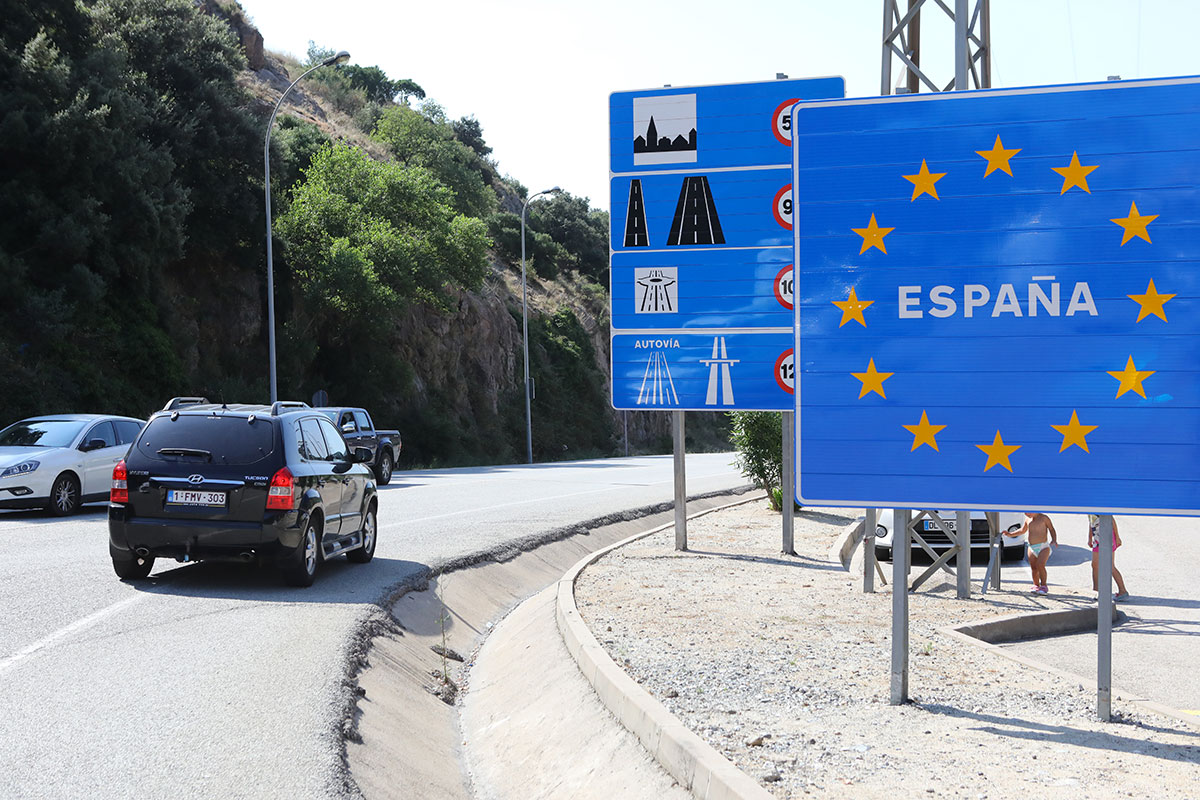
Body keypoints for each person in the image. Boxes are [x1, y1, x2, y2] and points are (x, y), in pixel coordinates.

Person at [1004, 512, 1057, 594]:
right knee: (1034, 567)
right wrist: (1010, 534)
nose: (1027, 514)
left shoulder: (1044, 518)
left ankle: (1044, 586)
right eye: (1025, 513)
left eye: (1029, 512)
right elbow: (1022, 530)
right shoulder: (1028, 520)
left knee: (1040, 565)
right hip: (1032, 547)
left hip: (1043, 546)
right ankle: (1036, 585)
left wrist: (1054, 540)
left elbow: (1051, 529)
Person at [1089, 514, 1129, 601]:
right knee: (1095, 565)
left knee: (1110, 566)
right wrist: (1090, 538)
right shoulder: (1089, 509)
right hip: (1097, 537)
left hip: (1107, 536)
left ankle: (1123, 591)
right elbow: (1091, 521)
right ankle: (1096, 591)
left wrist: (1117, 537)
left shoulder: (1101, 508)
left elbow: (1111, 520)